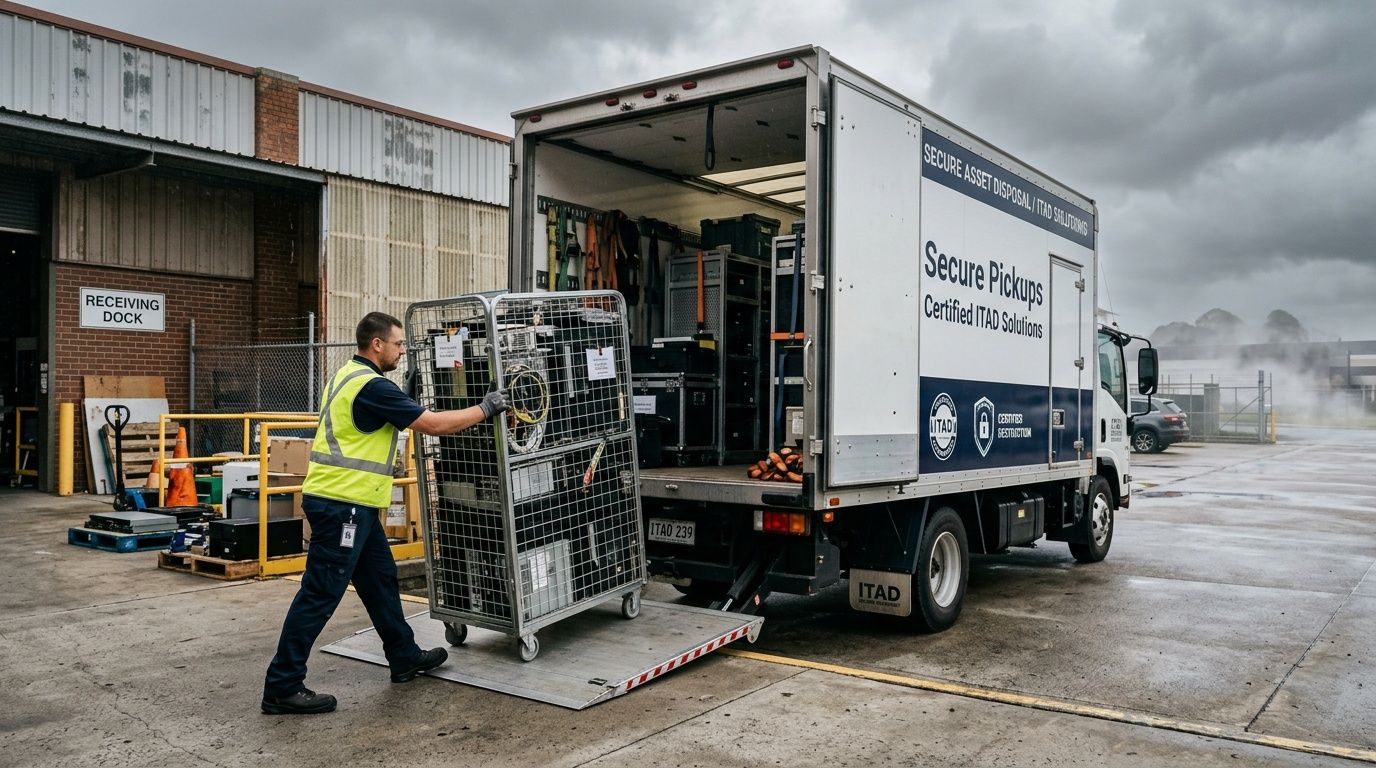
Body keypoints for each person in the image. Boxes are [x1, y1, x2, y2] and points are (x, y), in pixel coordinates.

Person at [262, 311, 508, 715]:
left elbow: (374, 426)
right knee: (321, 592)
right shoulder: (371, 386)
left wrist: (404, 399)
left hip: (352, 504)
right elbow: (431, 425)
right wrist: (484, 409)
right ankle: (282, 685)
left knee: (380, 580)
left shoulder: (346, 376)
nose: (402, 351)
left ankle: (403, 655)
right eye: (398, 344)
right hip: (344, 506)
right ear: (377, 344)